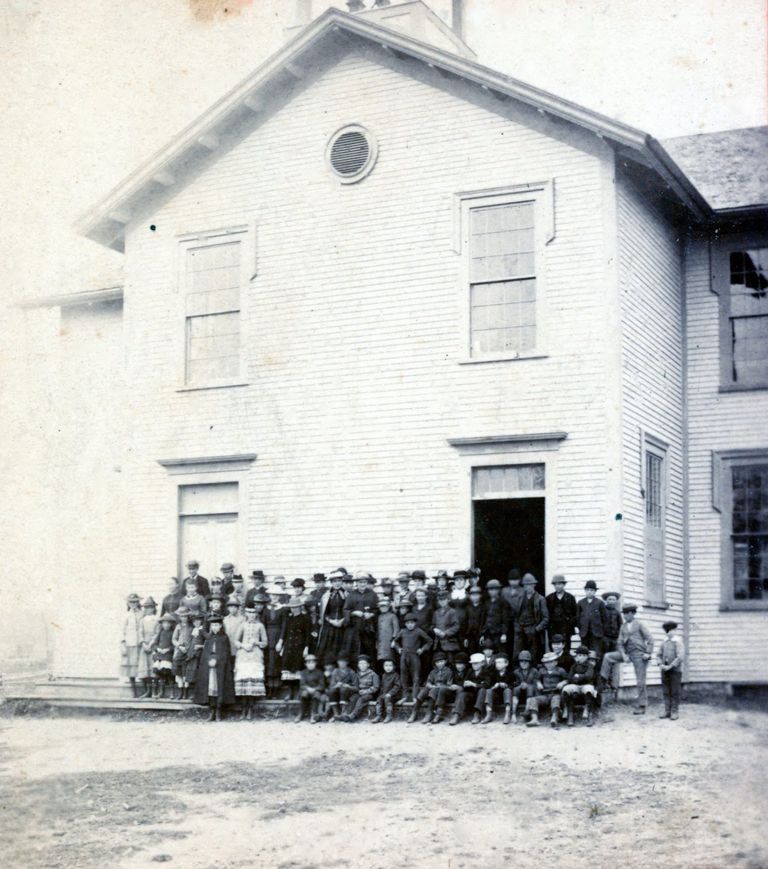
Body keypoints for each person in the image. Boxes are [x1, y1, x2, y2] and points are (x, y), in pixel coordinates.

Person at [599, 603, 654, 715]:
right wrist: (623, 655)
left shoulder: (639, 625)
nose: (624, 616)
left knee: (640, 680)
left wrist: (648, 653)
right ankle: (603, 681)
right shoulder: (623, 627)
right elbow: (619, 643)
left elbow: (650, 639)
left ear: (631, 613)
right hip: (627, 653)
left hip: (639, 654)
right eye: (623, 614)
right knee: (608, 657)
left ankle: (642, 706)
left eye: (626, 614)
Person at [193, 614, 236, 721]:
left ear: (221, 626)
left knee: (219, 687)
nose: (215, 628)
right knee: (210, 688)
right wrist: (209, 660)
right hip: (210, 668)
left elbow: (226, 654)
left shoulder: (224, 638)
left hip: (220, 668)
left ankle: (218, 711)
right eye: (213, 626)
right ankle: (211, 711)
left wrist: (217, 660)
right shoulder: (209, 638)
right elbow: (206, 653)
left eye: (217, 625)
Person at [234, 603, 268, 719]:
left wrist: (256, 642)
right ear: (246, 613)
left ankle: (250, 710)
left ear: (256, 614)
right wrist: (243, 646)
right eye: (249, 612)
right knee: (244, 683)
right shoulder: (242, 625)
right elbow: (236, 641)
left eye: (253, 613)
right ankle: (243, 709)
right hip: (243, 656)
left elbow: (265, 642)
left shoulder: (260, 626)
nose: (251, 615)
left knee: (252, 684)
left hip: (255, 656)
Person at [393, 612, 432, 703]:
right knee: (404, 676)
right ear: (405, 624)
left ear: (415, 623)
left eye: (412, 623)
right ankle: (405, 696)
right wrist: (398, 648)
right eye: (408, 623)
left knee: (416, 677)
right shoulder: (402, 631)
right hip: (404, 656)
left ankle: (415, 696)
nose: (410, 625)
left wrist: (422, 649)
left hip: (414, 656)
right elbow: (395, 642)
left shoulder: (418, 631)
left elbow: (429, 641)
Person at [342, 572, 378, 664]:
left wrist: (371, 614)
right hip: (355, 628)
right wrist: (354, 612)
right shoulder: (351, 595)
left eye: (364, 582)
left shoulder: (372, 594)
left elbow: (377, 609)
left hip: (368, 628)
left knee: (369, 649)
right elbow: (345, 610)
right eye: (360, 582)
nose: (362, 584)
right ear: (356, 583)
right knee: (355, 650)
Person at [410, 651, 454, 724]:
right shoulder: (433, 672)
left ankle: (429, 713)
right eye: (437, 662)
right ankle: (414, 712)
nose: (439, 664)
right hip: (433, 688)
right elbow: (428, 682)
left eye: (441, 661)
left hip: (442, 691)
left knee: (433, 691)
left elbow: (449, 684)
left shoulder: (448, 671)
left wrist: (438, 686)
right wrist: (431, 685)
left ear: (445, 661)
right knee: (424, 691)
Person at [513, 574, 548, 664]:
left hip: (533, 630)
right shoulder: (520, 598)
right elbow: (515, 615)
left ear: (534, 585)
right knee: (518, 654)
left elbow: (546, 619)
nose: (527, 587)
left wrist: (536, 629)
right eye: (525, 585)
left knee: (533, 656)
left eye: (530, 585)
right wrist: (517, 627)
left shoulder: (540, 599)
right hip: (520, 630)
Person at [526, 651, 568, 728]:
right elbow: (536, 679)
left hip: (555, 693)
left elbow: (567, 679)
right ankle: (534, 719)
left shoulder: (560, 670)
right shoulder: (542, 671)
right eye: (546, 663)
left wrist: (562, 683)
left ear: (556, 662)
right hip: (545, 694)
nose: (548, 664)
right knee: (533, 700)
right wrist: (539, 683)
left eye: (551, 662)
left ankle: (554, 717)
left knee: (556, 700)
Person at [315, 569, 347, 667]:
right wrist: (331, 621)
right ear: (331, 582)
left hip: (342, 626)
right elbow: (323, 612)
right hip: (330, 627)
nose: (337, 583)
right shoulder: (326, 595)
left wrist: (342, 620)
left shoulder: (346, 595)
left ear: (342, 582)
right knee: (328, 650)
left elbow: (348, 609)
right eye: (335, 581)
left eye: (339, 581)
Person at [562, 645, 597, 726]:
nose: (581, 657)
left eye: (584, 655)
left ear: (587, 656)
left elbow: (589, 676)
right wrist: (576, 678)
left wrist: (578, 676)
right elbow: (570, 677)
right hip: (576, 685)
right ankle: (569, 713)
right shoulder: (574, 666)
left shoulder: (590, 666)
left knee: (589, 690)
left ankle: (588, 711)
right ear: (577, 656)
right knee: (567, 689)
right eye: (580, 655)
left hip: (586, 685)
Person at [450, 652, 489, 726]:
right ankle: (457, 715)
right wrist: (465, 684)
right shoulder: (470, 671)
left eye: (476, 663)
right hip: (471, 694)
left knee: (482, 690)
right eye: (472, 663)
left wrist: (474, 684)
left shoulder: (486, 672)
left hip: (481, 697)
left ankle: (477, 713)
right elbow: (465, 682)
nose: (474, 665)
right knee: (462, 694)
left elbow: (487, 684)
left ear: (482, 663)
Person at [657, 620, 685, 720]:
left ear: (675, 630)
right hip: (665, 670)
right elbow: (659, 655)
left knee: (674, 691)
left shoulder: (678, 642)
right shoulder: (664, 642)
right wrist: (660, 664)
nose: (670, 632)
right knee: (666, 691)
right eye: (667, 631)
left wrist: (671, 666)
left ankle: (674, 711)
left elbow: (680, 656)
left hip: (675, 671)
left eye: (672, 630)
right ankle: (667, 710)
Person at [263, 588, 287, 698]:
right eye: (273, 595)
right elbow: (263, 626)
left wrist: (281, 641)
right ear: (270, 596)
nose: (274, 597)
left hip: (277, 637)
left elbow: (284, 626)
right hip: (267, 636)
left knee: (276, 662)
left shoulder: (282, 609)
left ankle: (276, 689)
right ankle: (269, 689)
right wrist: (263, 639)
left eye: (277, 595)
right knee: (269, 662)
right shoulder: (266, 609)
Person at [546, 575, 577, 653]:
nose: (558, 586)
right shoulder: (549, 598)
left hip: (566, 628)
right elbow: (546, 614)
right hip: (553, 628)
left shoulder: (570, 598)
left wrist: (570, 623)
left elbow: (575, 613)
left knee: (566, 648)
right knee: (554, 648)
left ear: (563, 585)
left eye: (560, 584)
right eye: (556, 584)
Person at [344, 654, 381, 721]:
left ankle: (353, 715)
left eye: (364, 663)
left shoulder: (373, 674)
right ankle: (346, 714)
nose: (362, 665)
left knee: (361, 699)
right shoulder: (357, 674)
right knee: (353, 698)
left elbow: (376, 687)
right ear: (358, 665)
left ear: (368, 665)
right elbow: (355, 685)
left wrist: (366, 691)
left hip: (369, 694)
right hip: (359, 692)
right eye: (360, 664)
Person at [482, 651, 515, 725]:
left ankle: (507, 713)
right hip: (496, 698)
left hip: (507, 698)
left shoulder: (510, 673)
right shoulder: (493, 673)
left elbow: (513, 685)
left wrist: (506, 685)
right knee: (489, 691)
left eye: (500, 662)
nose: (497, 665)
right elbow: (488, 685)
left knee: (507, 690)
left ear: (506, 663)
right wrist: (494, 686)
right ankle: (488, 713)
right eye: (496, 663)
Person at [120, 593, 143, 697]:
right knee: (131, 665)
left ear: (138, 602)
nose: (133, 604)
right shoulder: (126, 615)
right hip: (130, 642)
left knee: (141, 664)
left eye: (135, 602)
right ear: (128, 603)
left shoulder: (142, 613)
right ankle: (134, 690)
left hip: (140, 642)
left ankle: (144, 690)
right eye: (131, 602)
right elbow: (122, 631)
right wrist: (123, 642)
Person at [136, 596, 159, 699]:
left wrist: (150, 644)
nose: (148, 609)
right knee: (145, 669)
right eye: (146, 607)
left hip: (153, 646)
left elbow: (157, 633)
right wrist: (143, 643)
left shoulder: (157, 619)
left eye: (150, 607)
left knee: (154, 668)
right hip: (144, 646)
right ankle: (147, 691)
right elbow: (140, 632)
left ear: (154, 608)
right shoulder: (142, 620)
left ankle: (155, 691)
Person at [576, 580, 607, 656]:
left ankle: (596, 668)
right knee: (584, 652)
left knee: (596, 653)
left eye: (592, 590)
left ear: (595, 591)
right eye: (588, 590)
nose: (589, 592)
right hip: (584, 633)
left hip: (596, 633)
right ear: (585, 591)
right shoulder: (580, 603)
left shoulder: (600, 603)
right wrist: (580, 628)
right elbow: (577, 617)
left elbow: (604, 619)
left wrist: (601, 630)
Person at [282, 597, 312, 673]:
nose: (293, 609)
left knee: (297, 667)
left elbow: (308, 635)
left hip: (299, 647)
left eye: (295, 607)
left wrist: (306, 648)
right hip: (288, 646)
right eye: (292, 607)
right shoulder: (289, 618)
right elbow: (286, 633)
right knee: (287, 667)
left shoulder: (305, 619)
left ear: (299, 607)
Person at [151, 611, 177, 699]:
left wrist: (168, 649)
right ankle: (158, 692)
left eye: (168, 623)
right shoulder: (160, 633)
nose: (166, 625)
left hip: (168, 655)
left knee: (167, 672)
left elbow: (174, 645)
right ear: (162, 624)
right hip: (159, 655)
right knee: (157, 673)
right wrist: (157, 648)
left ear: (171, 624)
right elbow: (154, 644)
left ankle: (171, 692)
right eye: (164, 623)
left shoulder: (172, 633)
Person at [326, 654, 358, 721]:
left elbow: (356, 687)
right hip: (337, 693)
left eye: (344, 662)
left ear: (347, 662)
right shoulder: (335, 671)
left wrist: (348, 686)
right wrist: (336, 685)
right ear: (337, 662)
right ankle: (336, 714)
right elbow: (331, 686)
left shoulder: (351, 672)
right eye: (340, 661)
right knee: (331, 691)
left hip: (348, 693)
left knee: (344, 689)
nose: (342, 663)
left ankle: (343, 713)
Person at [432, 591, 461, 664]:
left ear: (448, 600)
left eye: (444, 599)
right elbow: (432, 625)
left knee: (450, 663)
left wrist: (445, 633)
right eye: (440, 600)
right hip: (438, 643)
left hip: (449, 643)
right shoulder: (436, 612)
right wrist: (434, 629)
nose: (442, 601)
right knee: (438, 662)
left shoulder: (452, 612)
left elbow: (456, 626)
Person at [172, 605, 194, 700]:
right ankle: (180, 691)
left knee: (186, 672)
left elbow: (193, 639)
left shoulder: (192, 627)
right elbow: (174, 639)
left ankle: (186, 692)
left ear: (188, 617)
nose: (183, 618)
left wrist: (188, 649)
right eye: (182, 616)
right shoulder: (178, 626)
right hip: (179, 651)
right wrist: (179, 646)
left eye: (185, 616)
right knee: (179, 672)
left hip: (188, 652)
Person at [481, 580, 510, 652]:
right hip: (487, 633)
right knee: (488, 651)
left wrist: (504, 633)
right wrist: (482, 634)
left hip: (498, 632)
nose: (492, 591)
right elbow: (483, 619)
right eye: (490, 589)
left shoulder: (503, 602)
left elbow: (505, 619)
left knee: (499, 651)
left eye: (495, 589)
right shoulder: (486, 603)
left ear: (498, 590)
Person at [295, 653, 325, 723]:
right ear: (306, 664)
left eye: (312, 662)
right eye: (309, 662)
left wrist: (315, 689)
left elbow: (322, 685)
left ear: (315, 663)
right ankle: (300, 714)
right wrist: (308, 688)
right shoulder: (303, 672)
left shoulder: (320, 673)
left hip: (316, 690)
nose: (311, 664)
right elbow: (302, 684)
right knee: (304, 694)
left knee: (316, 695)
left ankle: (313, 715)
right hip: (306, 690)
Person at [511, 650, 538, 724]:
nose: (524, 663)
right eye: (521, 661)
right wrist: (519, 685)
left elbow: (536, 683)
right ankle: (513, 714)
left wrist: (528, 685)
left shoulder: (534, 671)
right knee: (515, 690)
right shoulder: (516, 672)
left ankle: (526, 712)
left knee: (530, 688)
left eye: (526, 661)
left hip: (531, 695)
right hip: (519, 693)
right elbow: (513, 684)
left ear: (529, 662)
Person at [371, 657, 401, 723]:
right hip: (385, 694)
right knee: (379, 699)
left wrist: (390, 693)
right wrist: (381, 694)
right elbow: (382, 687)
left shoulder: (396, 675)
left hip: (394, 695)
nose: (388, 667)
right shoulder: (384, 675)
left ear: (393, 666)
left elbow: (397, 686)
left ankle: (389, 716)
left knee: (387, 698)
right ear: (383, 667)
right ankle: (379, 716)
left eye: (390, 665)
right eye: (386, 665)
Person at [375, 597, 400, 670]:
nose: (383, 608)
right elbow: (378, 630)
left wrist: (394, 639)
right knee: (381, 660)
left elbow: (396, 629)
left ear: (389, 607)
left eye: (385, 606)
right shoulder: (379, 616)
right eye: (381, 606)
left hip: (389, 641)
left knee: (389, 659)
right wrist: (376, 641)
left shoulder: (392, 616)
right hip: (380, 642)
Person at [462, 585, 486, 652]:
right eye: (472, 595)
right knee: (471, 652)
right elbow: (465, 622)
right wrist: (465, 637)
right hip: (470, 634)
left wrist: (483, 635)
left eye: (477, 595)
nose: (475, 597)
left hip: (479, 634)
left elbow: (484, 621)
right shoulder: (467, 608)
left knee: (480, 651)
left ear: (480, 595)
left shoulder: (483, 607)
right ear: (470, 596)